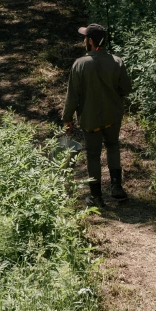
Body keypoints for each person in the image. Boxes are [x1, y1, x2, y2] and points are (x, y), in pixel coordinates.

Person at [62, 24, 132, 206]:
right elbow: (126, 88)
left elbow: (72, 96)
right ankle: (117, 188)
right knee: (113, 146)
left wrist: (67, 118)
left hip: (90, 118)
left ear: (91, 41)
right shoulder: (117, 61)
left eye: (86, 37)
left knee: (93, 155)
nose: (84, 40)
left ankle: (96, 197)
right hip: (113, 115)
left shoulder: (80, 64)